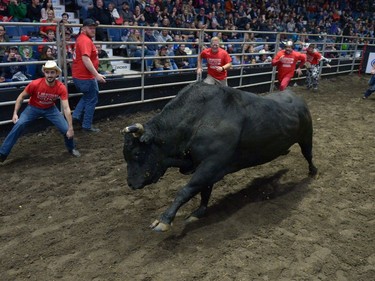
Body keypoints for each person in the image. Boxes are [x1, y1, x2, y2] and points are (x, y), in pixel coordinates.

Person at [0, 61, 80, 163]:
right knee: (19, 124)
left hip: (50, 109)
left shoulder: (61, 87)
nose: (49, 75)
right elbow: (21, 96)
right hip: (33, 108)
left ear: (56, 74)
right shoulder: (35, 84)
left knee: (66, 129)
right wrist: (15, 113)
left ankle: (71, 148)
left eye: (52, 72)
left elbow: (66, 108)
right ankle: (2, 153)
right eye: (47, 72)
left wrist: (71, 128)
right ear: (44, 73)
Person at [72, 18, 106, 133]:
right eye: (90, 28)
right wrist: (96, 75)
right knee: (92, 99)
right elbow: (86, 59)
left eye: (94, 28)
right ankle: (86, 126)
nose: (93, 30)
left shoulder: (82, 39)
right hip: (85, 77)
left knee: (88, 96)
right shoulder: (85, 41)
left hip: (81, 76)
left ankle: (76, 115)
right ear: (83, 28)